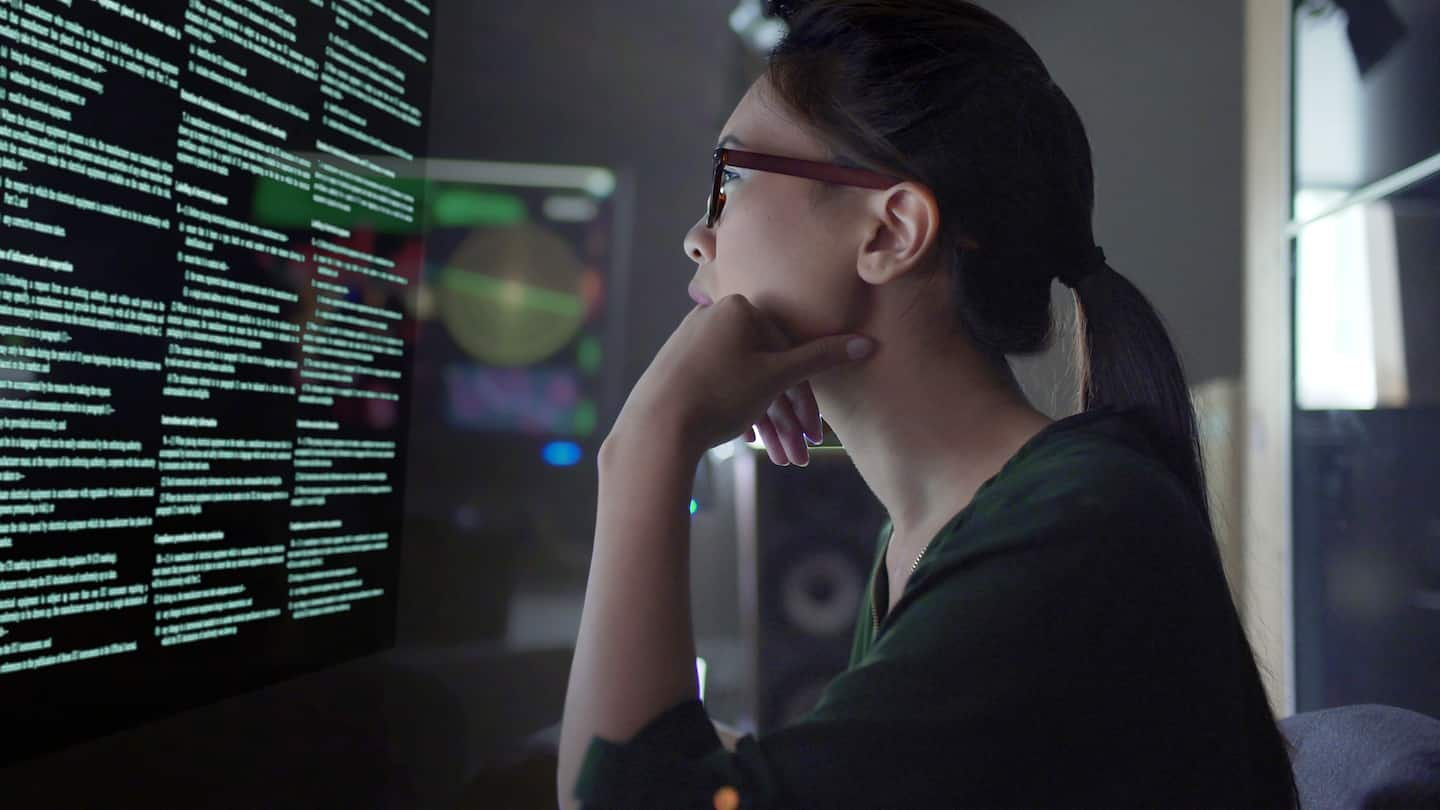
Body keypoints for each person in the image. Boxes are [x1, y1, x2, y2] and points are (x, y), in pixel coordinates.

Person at [556, 1, 1300, 807]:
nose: (697, 236)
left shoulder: (1077, 526)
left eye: (731, 177)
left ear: (891, 231)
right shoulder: (934, 531)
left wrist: (645, 447)